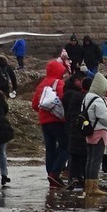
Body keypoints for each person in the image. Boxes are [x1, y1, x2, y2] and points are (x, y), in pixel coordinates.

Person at [31, 59, 69, 188]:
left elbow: (35, 104)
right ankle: (55, 172)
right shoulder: (58, 83)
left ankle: (51, 174)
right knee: (66, 144)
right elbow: (64, 99)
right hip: (57, 120)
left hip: (44, 121)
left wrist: (44, 112)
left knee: (50, 148)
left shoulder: (41, 84)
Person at [80, 74, 107, 198]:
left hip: (89, 131)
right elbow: (104, 118)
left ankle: (88, 185)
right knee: (96, 160)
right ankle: (93, 187)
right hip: (99, 131)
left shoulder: (87, 97)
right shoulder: (98, 100)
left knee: (90, 159)